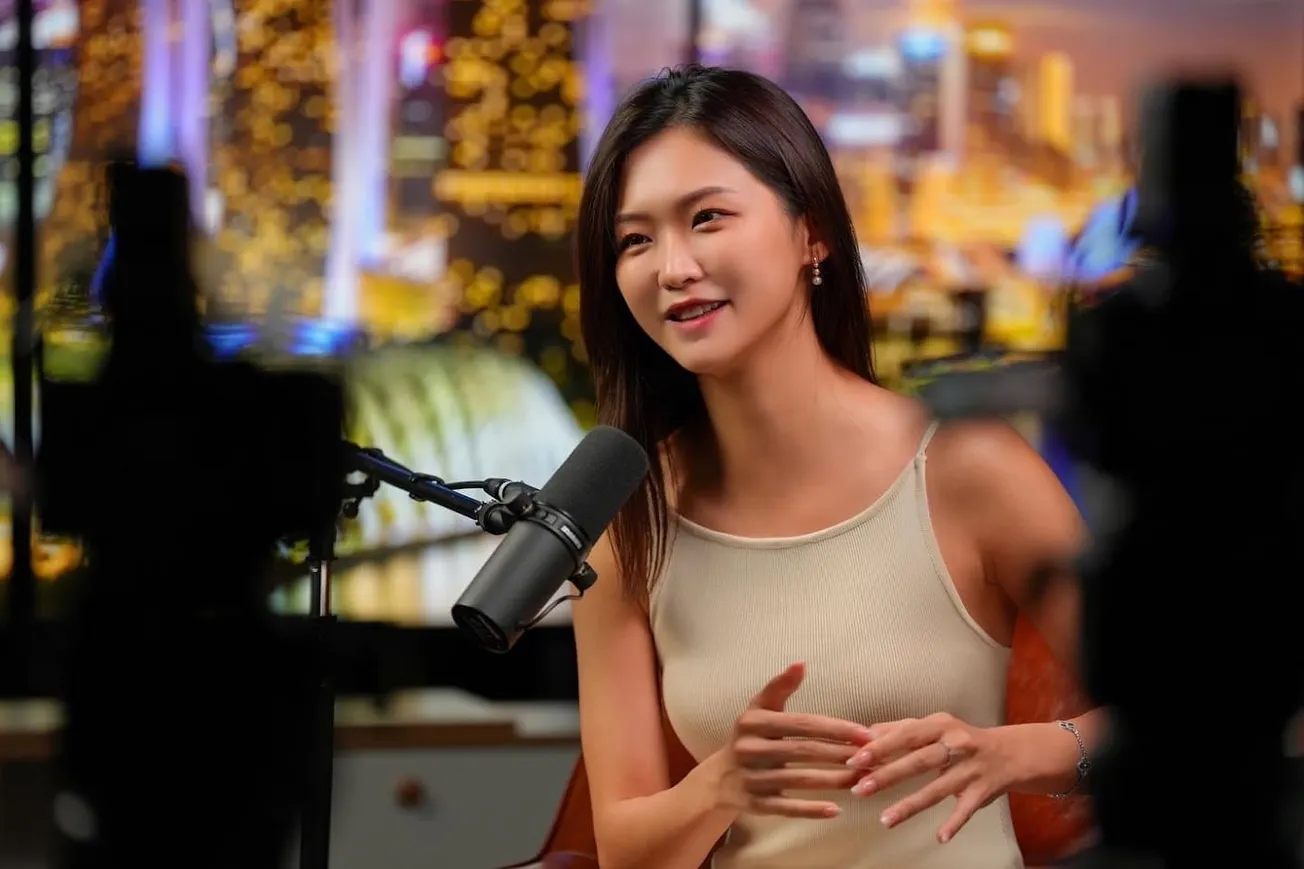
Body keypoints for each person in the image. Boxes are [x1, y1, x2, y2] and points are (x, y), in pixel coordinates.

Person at [571, 64, 1104, 869]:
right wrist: (719, 785)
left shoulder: (966, 467)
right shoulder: (627, 520)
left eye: (707, 217)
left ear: (811, 232)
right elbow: (624, 850)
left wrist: (1013, 752)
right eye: (635, 240)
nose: (672, 267)